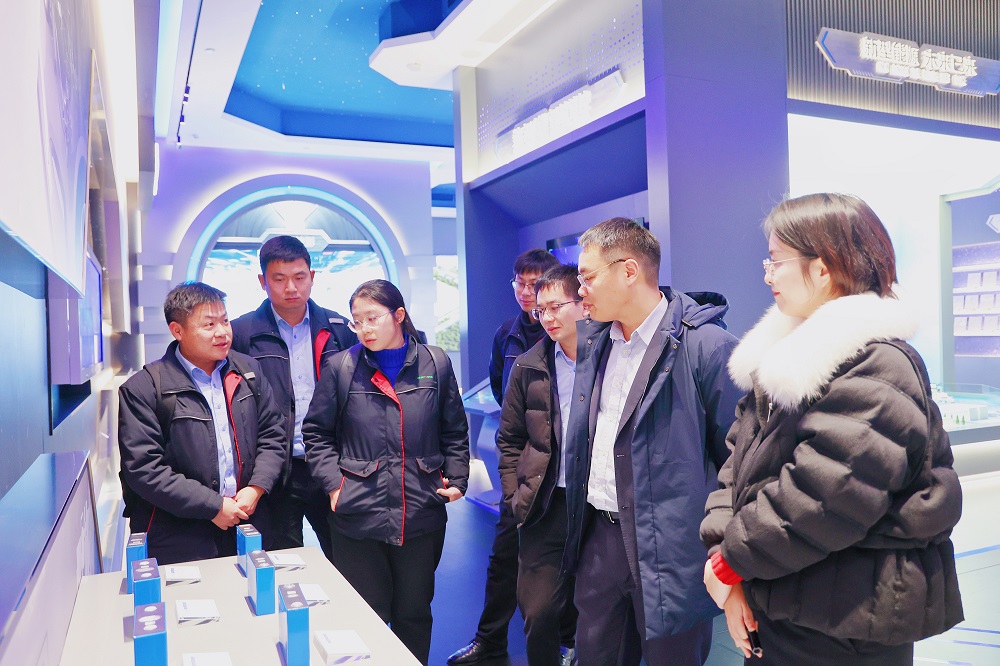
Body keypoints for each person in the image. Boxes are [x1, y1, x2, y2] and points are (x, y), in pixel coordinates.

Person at [700, 193, 964, 665]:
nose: (768, 274)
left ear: (821, 269)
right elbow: (736, 463)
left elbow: (826, 495)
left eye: (776, 261)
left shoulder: (877, 365)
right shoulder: (785, 357)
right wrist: (727, 559)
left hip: (845, 617)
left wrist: (730, 562)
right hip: (783, 592)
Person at [562, 217, 743, 666]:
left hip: (672, 549)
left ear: (628, 271)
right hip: (600, 539)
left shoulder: (707, 347)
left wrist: (724, 551)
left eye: (587, 277)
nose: (580, 291)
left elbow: (738, 460)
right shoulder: (596, 342)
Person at [303, 279, 470, 665]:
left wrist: (458, 478)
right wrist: (335, 486)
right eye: (357, 320)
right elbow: (316, 432)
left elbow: (453, 428)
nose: (364, 328)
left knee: (414, 614)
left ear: (398, 315)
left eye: (372, 318)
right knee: (366, 615)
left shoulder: (435, 363)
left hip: (421, 509)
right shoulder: (342, 367)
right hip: (358, 513)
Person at [449, 248, 564, 665]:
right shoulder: (507, 334)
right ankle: (490, 641)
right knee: (503, 559)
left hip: (568, 468)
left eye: (536, 284)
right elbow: (503, 393)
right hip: (527, 466)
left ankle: (570, 645)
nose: (527, 292)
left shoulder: (575, 332)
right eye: (521, 283)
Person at [118, 282, 286, 565]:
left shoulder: (248, 371)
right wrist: (213, 506)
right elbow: (144, 469)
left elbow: (273, 434)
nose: (222, 332)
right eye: (209, 325)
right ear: (177, 331)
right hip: (179, 536)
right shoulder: (144, 388)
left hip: (247, 521)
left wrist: (257, 487)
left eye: (225, 321)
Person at [231, 235, 355, 561]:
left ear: (312, 277)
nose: (291, 288)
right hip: (274, 470)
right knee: (283, 563)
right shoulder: (240, 333)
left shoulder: (339, 329)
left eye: (299, 277)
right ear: (263, 282)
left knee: (349, 561)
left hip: (332, 463)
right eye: (279, 279)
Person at [497, 264, 584, 666]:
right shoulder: (528, 365)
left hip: (596, 506)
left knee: (597, 610)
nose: (546, 317)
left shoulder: (611, 358)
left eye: (555, 307)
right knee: (538, 610)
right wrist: (515, 497)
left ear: (583, 304)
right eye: (541, 310)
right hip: (544, 503)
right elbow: (509, 438)